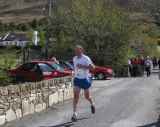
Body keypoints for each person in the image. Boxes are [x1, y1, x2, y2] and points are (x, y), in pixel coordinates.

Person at [71, 45, 95, 122]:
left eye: (78, 50)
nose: (76, 52)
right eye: (75, 51)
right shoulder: (74, 58)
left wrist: (83, 66)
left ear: (82, 50)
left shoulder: (86, 58)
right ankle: (75, 114)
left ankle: (92, 104)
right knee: (75, 97)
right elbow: (75, 68)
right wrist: (73, 73)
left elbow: (93, 67)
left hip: (85, 80)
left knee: (87, 97)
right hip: (77, 79)